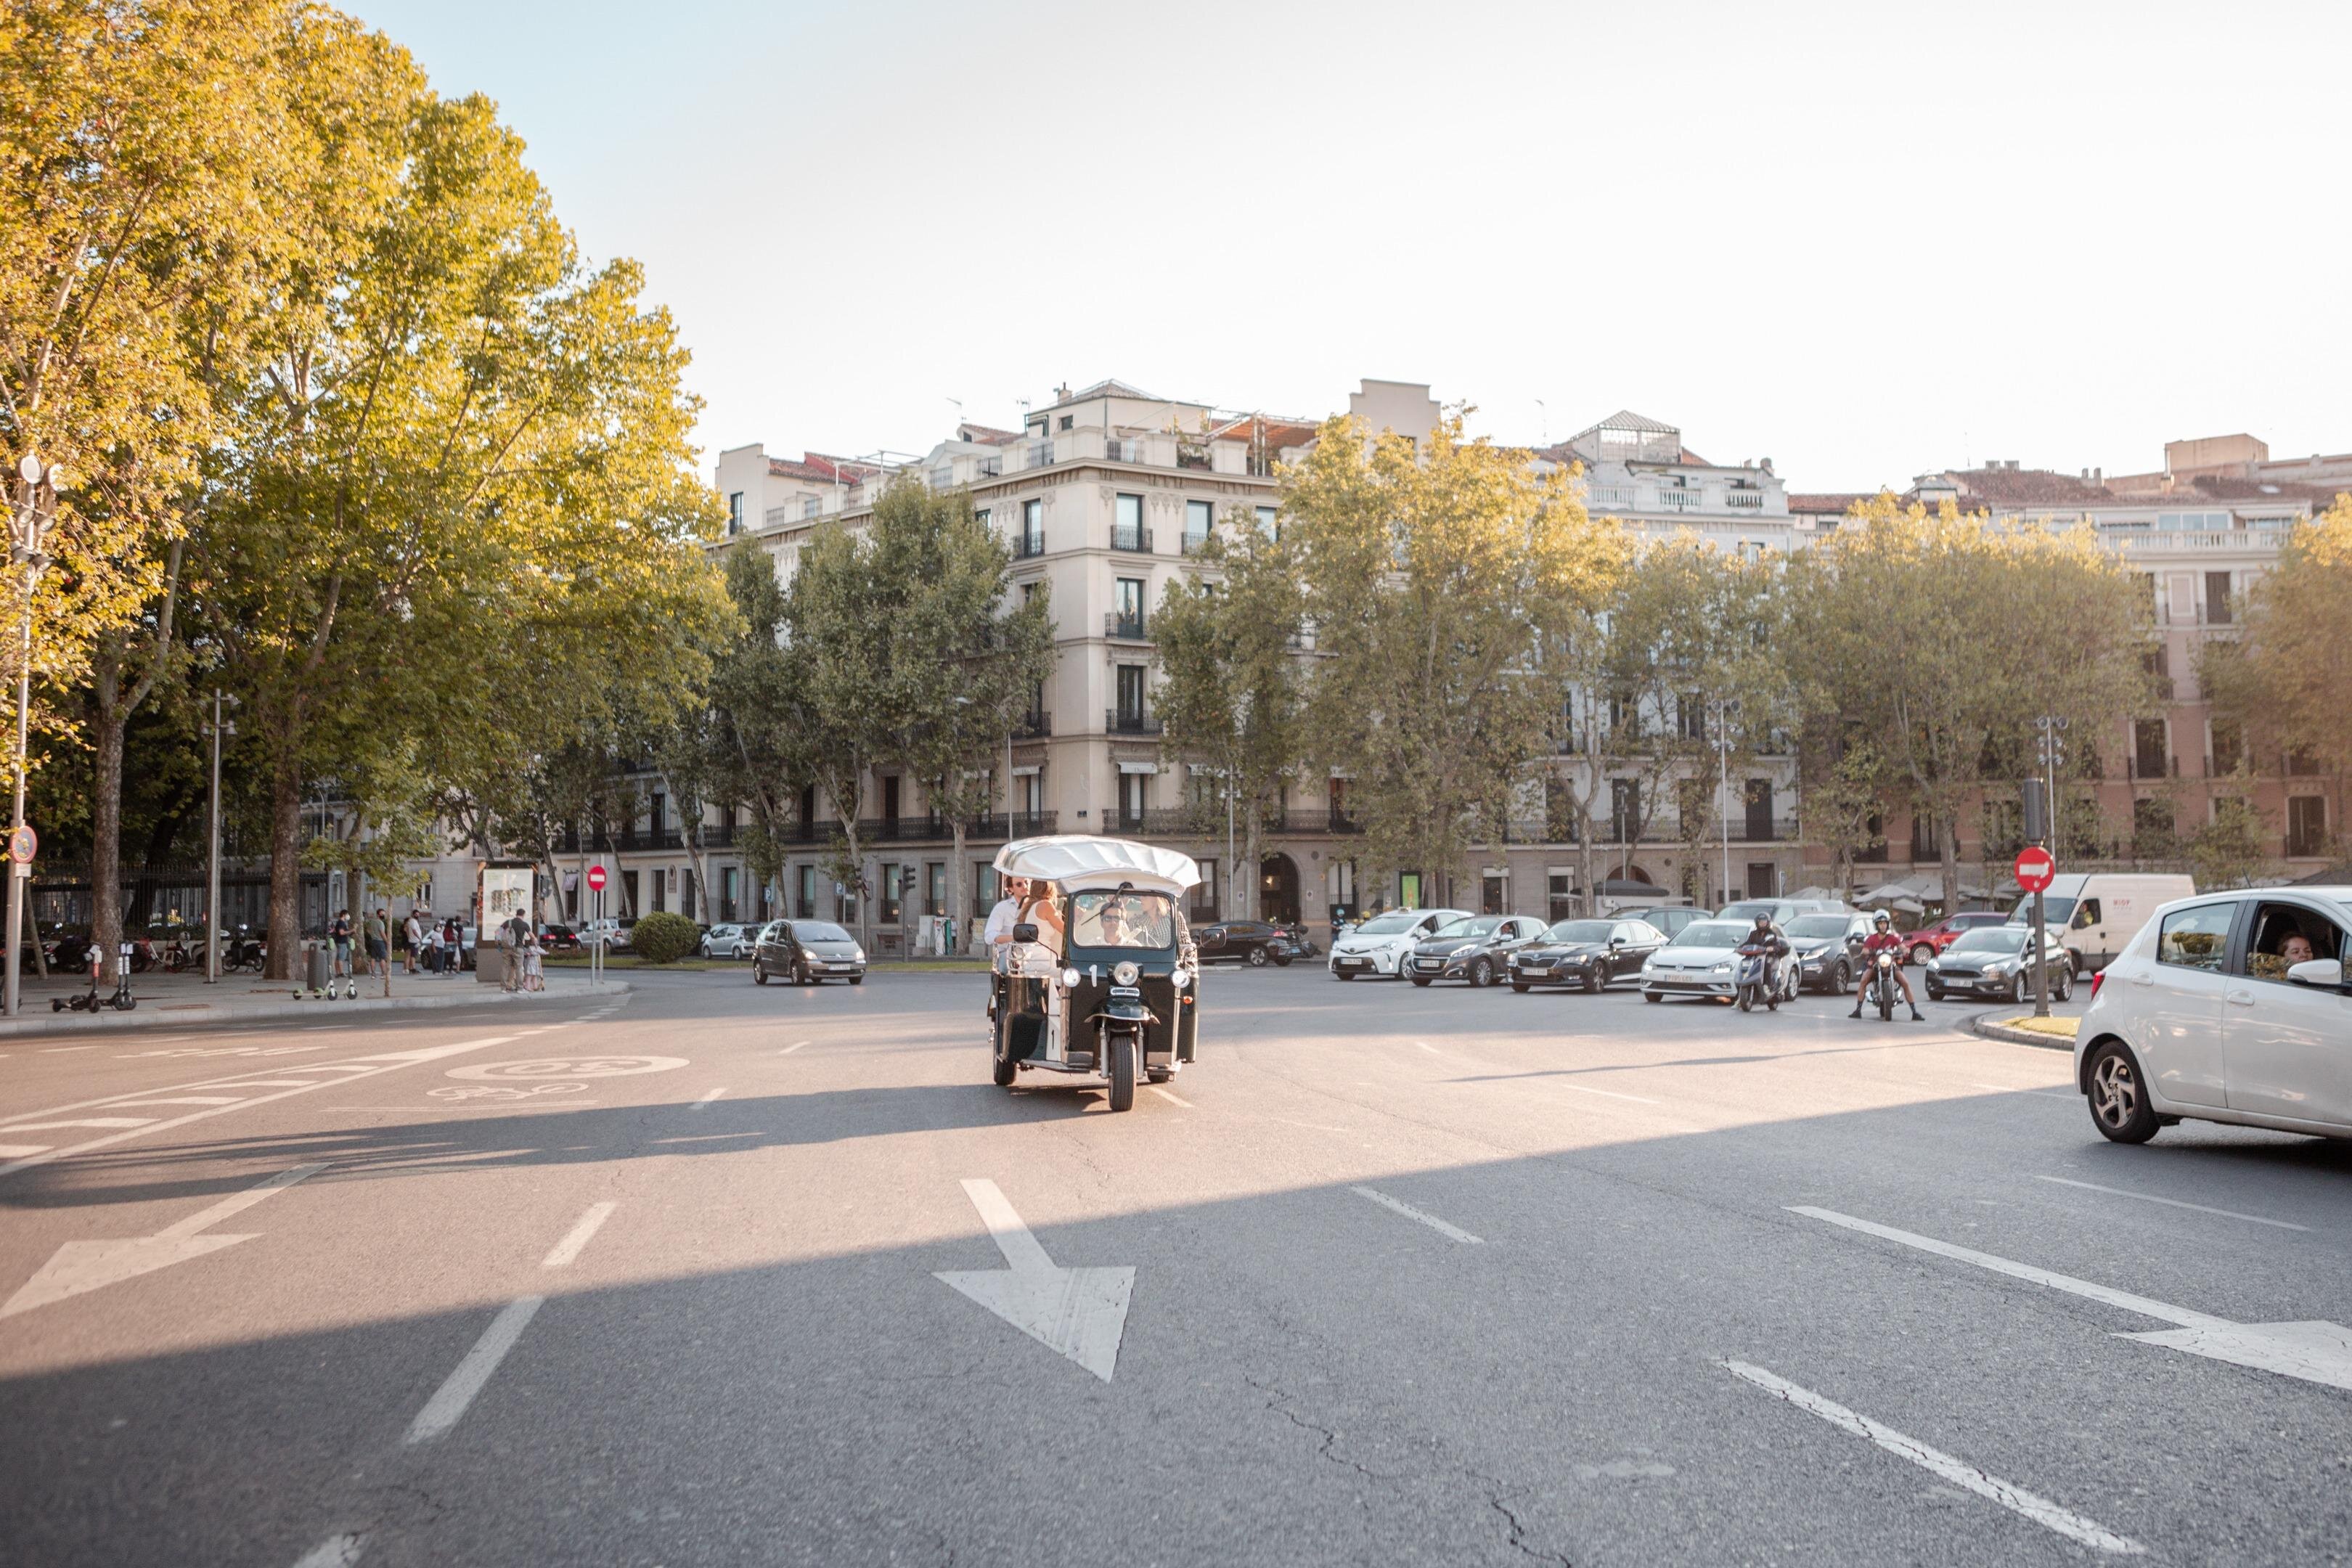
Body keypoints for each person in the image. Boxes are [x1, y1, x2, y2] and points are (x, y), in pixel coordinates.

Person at [1851, 910, 1924, 1021]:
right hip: (1875, 965)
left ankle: (1915, 1012)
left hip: (1891, 965)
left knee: (1905, 982)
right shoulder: (1872, 938)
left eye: (1885, 923)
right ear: (1876, 925)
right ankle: (1858, 1010)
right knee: (1863, 981)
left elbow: (1902, 947)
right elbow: (1865, 950)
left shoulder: (1892, 938)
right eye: (1880, 923)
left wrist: (1905, 950)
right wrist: (1869, 952)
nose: (1883, 926)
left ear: (1888, 924)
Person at [1737, 911, 1792, 999]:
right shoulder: (1753, 934)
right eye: (1760, 921)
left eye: (1764, 921)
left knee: (1767, 964)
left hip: (1768, 956)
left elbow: (1777, 945)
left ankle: (1767, 986)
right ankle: (1744, 982)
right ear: (1757, 922)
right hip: (1755, 956)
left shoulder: (1772, 934)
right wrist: (1740, 948)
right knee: (1745, 962)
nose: (1762, 923)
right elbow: (1748, 943)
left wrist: (1772, 948)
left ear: (1768, 922)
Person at [497, 905, 530, 992]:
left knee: (505, 967)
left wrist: (500, 942)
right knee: (519, 968)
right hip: (518, 948)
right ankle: (520, 988)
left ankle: (503, 988)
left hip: (507, 948)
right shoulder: (524, 924)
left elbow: (498, 932)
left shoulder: (508, 922)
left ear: (516, 914)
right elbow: (532, 936)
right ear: (523, 915)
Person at [366, 907, 389, 977]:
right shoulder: (381, 923)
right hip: (380, 941)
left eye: (384, 914)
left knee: (373, 957)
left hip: (373, 941)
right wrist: (387, 941)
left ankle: (373, 973)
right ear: (378, 914)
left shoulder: (372, 921)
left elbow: (368, 930)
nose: (383, 915)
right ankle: (383, 974)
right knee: (382, 958)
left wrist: (373, 935)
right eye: (382, 914)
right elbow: (382, 933)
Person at [403, 909, 422, 975]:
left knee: (413, 955)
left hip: (413, 940)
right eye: (416, 914)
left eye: (418, 915)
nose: (418, 916)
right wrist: (419, 937)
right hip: (414, 940)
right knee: (413, 955)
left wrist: (409, 936)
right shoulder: (413, 921)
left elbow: (406, 929)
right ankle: (413, 968)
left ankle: (410, 968)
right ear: (413, 915)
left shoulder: (411, 921)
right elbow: (414, 930)